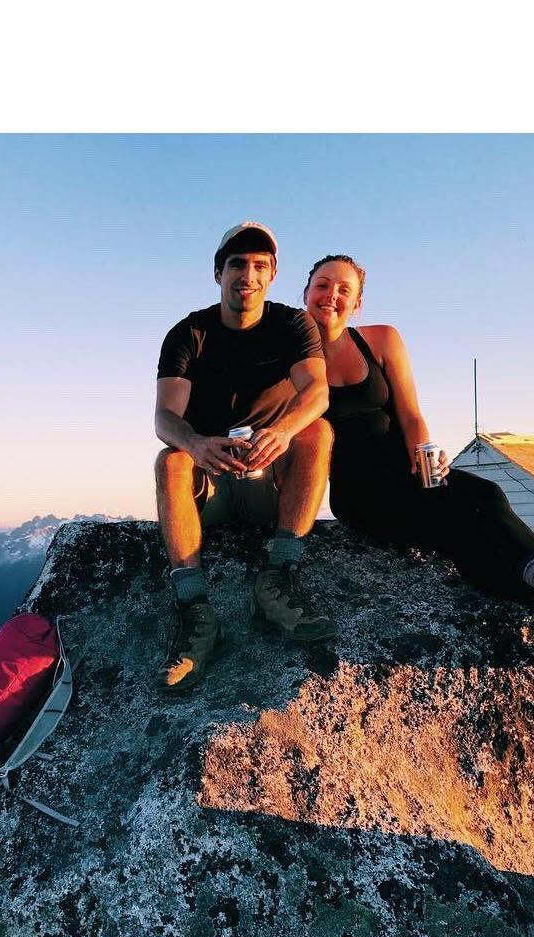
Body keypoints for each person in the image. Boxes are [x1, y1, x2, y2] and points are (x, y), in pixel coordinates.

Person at [303, 253, 534, 666]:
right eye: (323, 285)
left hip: (410, 474)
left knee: (462, 538)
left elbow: (411, 414)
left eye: (344, 289)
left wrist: (425, 455)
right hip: (361, 495)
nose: (332, 295)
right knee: (483, 497)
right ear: (306, 292)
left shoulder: (380, 339)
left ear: (358, 303)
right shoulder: (292, 362)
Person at [153, 222, 335, 694]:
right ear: (218, 273)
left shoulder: (291, 325)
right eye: (237, 264)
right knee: (169, 460)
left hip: (267, 479)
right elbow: (164, 418)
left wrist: (281, 431)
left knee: (317, 431)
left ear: (272, 274)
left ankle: (277, 578)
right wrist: (196, 445)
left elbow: (316, 392)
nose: (247, 275)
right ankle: (196, 613)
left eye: (259, 265)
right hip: (210, 481)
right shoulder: (188, 333)